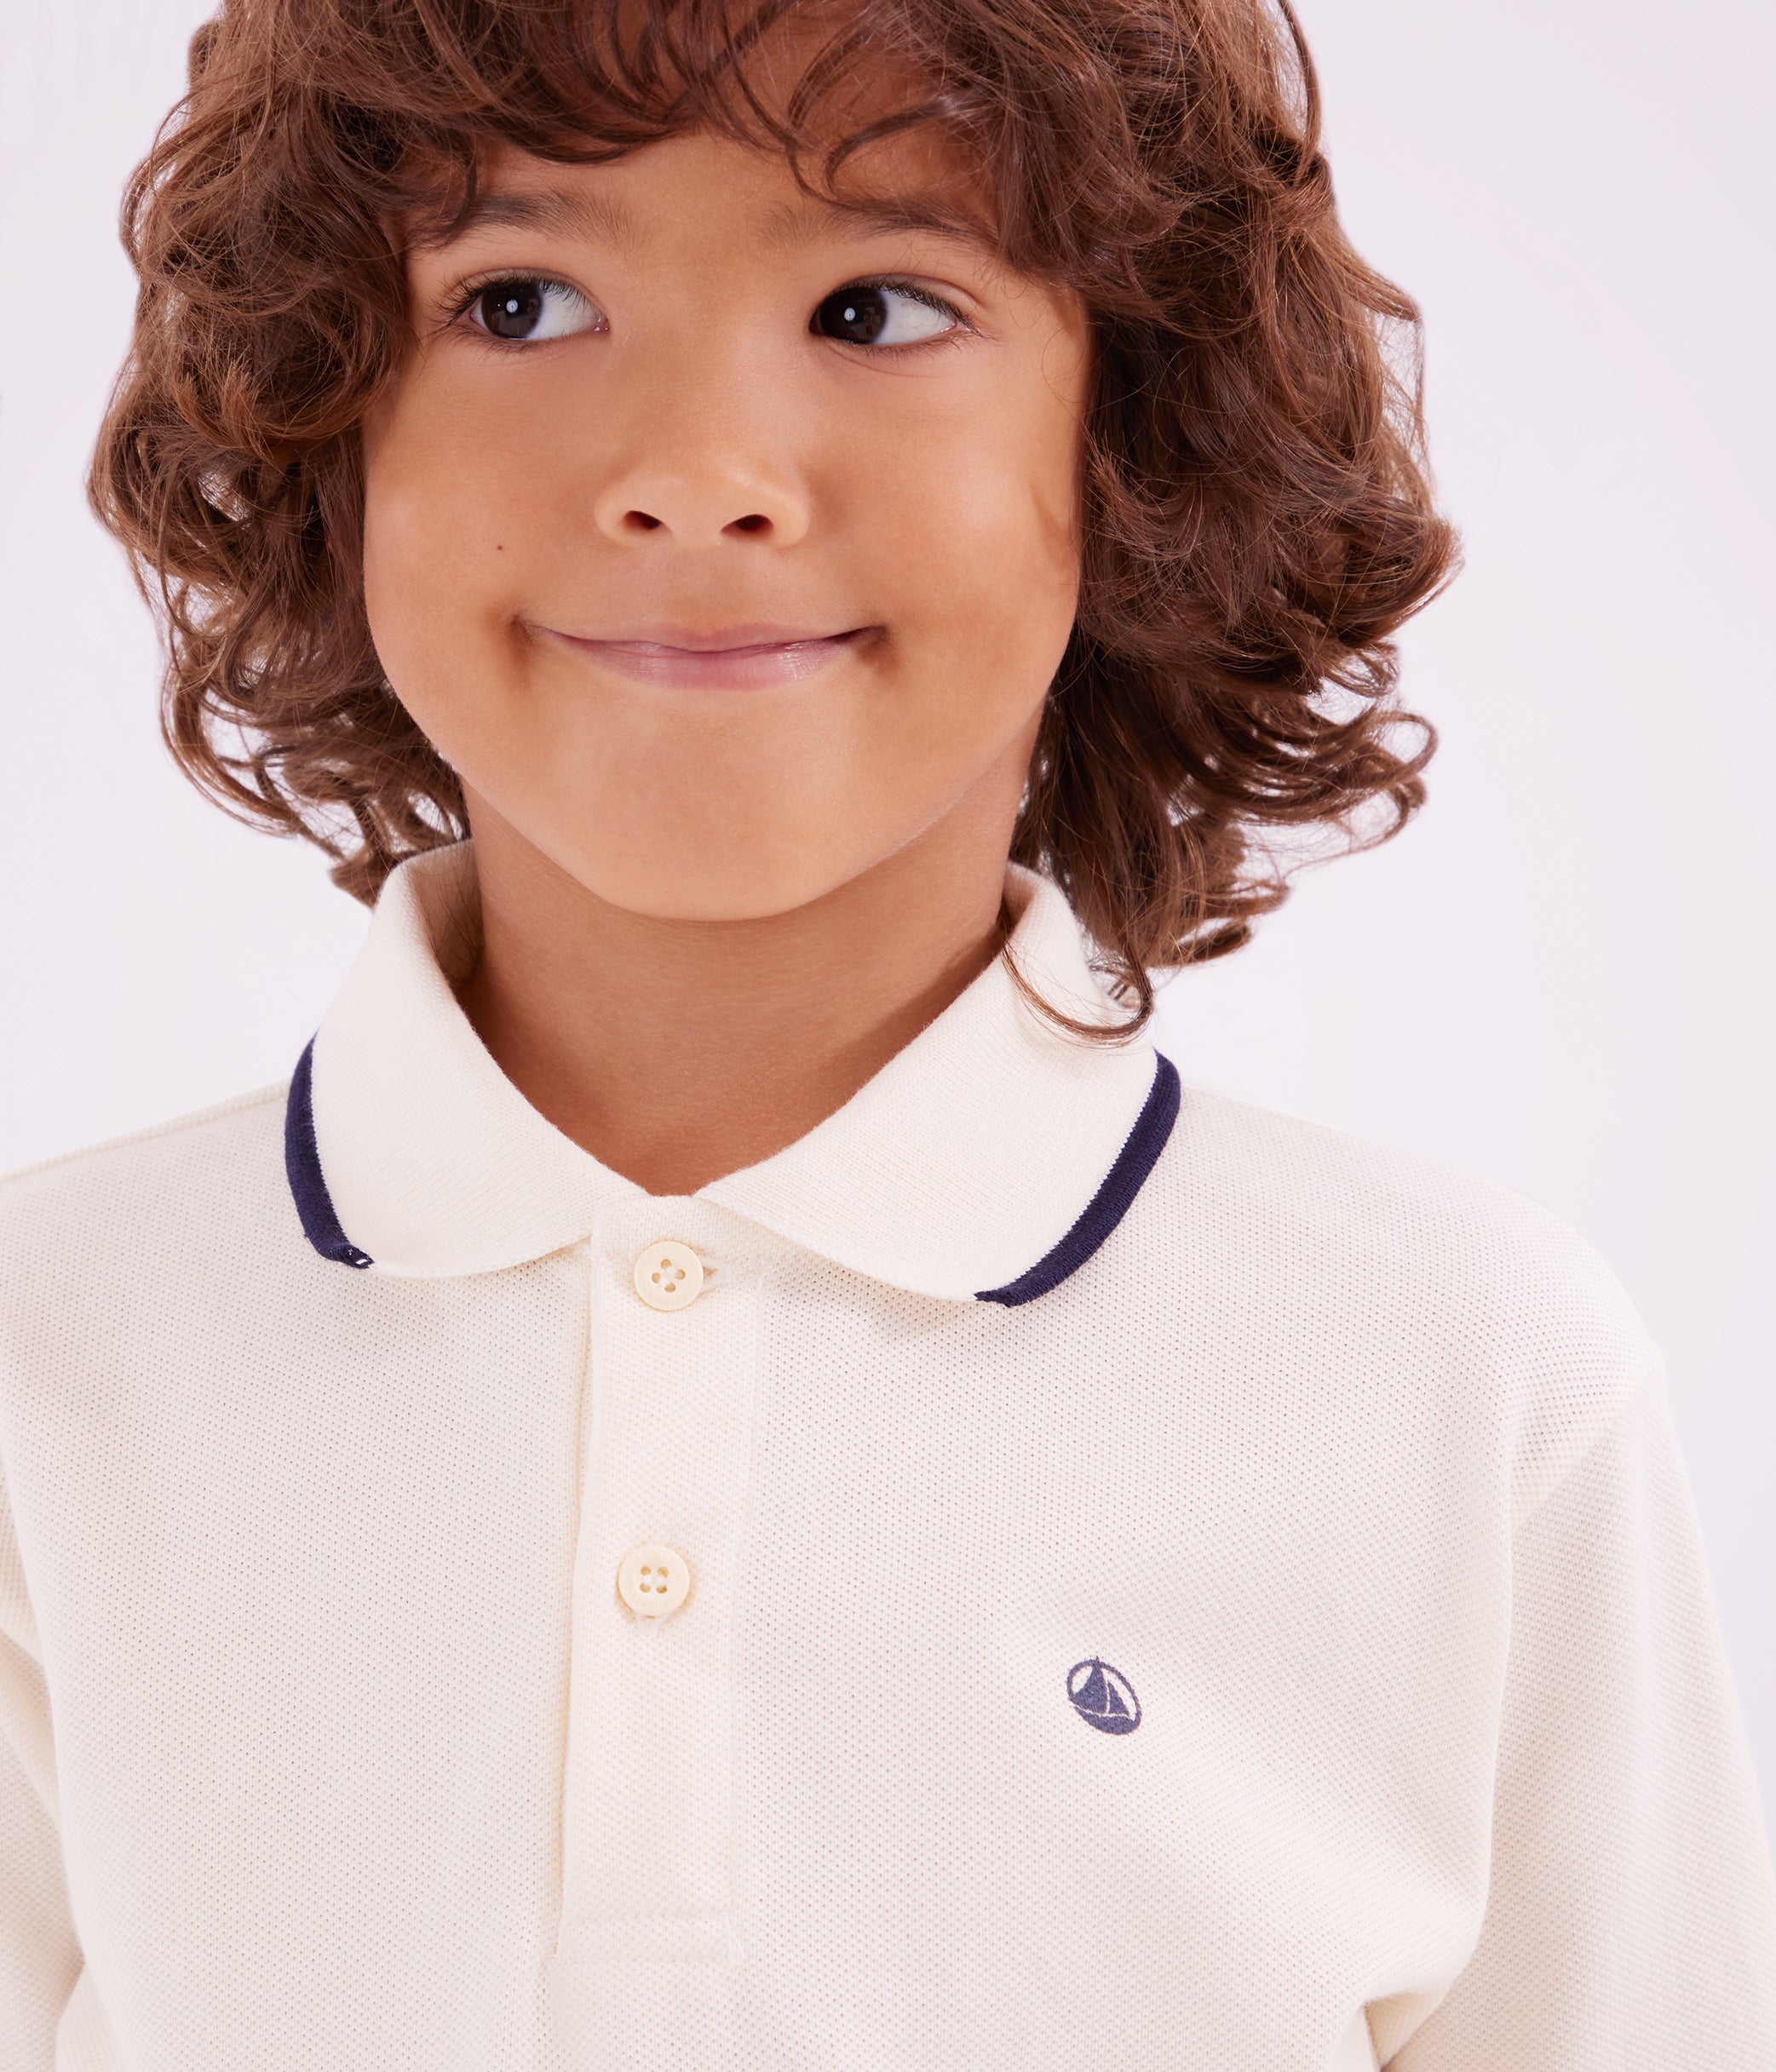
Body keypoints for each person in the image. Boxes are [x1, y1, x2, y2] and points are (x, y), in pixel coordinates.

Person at [3, 0, 1773, 2064]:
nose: (694, 477)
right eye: (519, 299)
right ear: (330, 421)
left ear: (1131, 447)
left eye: (874, 306)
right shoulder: (49, 1357)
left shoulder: (1471, 1383)